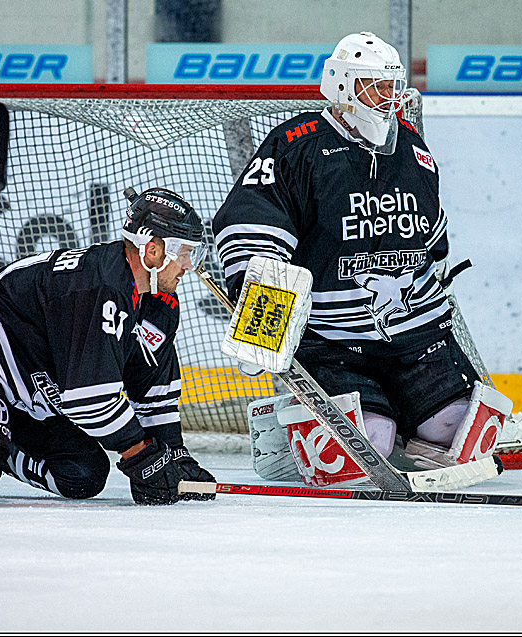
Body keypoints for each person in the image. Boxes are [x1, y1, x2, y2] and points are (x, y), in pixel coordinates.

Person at [213, 31, 504, 472]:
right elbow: (252, 229)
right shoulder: (297, 144)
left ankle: (409, 418)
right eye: (376, 86)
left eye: (393, 87)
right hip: (332, 341)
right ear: (343, 86)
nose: (389, 99)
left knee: (460, 430)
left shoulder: (411, 147)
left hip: (413, 338)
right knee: (368, 443)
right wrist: (262, 329)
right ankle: (288, 432)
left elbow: (431, 241)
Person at [0, 187, 216, 507]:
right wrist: (141, 455)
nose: (189, 266)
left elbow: (152, 385)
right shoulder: (98, 288)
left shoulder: (159, 304)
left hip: (26, 391)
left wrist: (173, 453)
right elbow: (88, 400)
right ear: (152, 250)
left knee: (82, 475)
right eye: (184, 253)